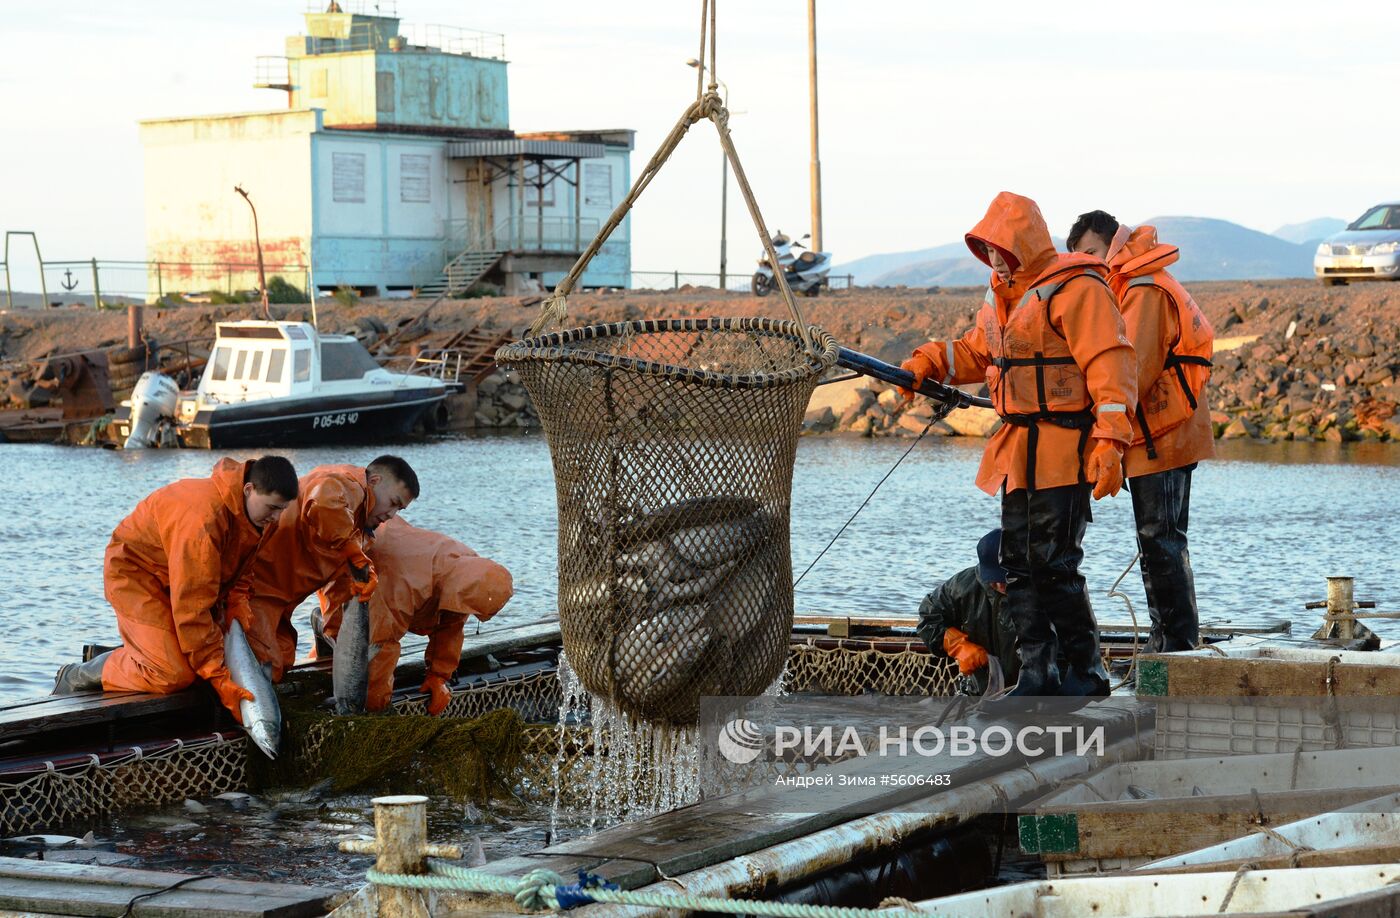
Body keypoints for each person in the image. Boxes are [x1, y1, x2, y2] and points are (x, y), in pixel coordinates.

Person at [899, 192, 1138, 698]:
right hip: (1018, 454)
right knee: (1018, 567)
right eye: (986, 249)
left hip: (1065, 450)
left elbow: (1111, 365)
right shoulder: (1001, 296)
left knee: (1055, 565)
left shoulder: (1077, 289)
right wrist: (927, 362)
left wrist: (1111, 442)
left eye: (999, 248)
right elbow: (973, 350)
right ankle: (1037, 673)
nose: (993, 258)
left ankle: (1086, 670)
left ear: (1022, 244)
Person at [54, 456, 299, 723]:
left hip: (187, 580)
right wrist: (218, 678)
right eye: (273, 508)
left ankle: (143, 650)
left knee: (270, 664)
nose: (277, 518)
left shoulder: (260, 517)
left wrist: (238, 602)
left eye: (282, 509)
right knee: (173, 674)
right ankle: (78, 674)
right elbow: (191, 611)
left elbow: (243, 565)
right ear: (249, 489)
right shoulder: (203, 520)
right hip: (137, 575)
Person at [1069, 210, 1213, 653]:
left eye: (1092, 253)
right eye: (1080, 258)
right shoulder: (1137, 281)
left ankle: (1173, 645)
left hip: (1165, 437)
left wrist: (1093, 421)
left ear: (1113, 244)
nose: (1088, 264)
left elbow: (1134, 368)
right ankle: (1168, 639)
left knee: (1160, 540)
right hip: (1162, 434)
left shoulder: (1143, 290)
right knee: (1160, 539)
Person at [314, 516, 514, 714]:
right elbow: (381, 645)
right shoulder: (405, 588)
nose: (466, 613)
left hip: (398, 551)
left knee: (356, 646)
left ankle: (326, 643)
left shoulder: (471, 575)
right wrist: (376, 707)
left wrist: (438, 676)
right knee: (344, 633)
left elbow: (451, 627)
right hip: (357, 551)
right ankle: (321, 629)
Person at [244, 455, 420, 681]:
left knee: (285, 659)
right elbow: (324, 503)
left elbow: (339, 591)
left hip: (281, 604)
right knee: (269, 664)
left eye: (400, 510)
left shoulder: (361, 533)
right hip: (252, 592)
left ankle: (319, 625)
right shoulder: (347, 485)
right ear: (374, 481)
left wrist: (343, 641)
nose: (391, 515)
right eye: (394, 502)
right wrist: (353, 550)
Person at [916, 530, 1019, 693]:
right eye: (994, 579)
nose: (1000, 585)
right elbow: (929, 616)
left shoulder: (1049, 587)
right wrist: (957, 646)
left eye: (1006, 578)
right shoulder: (962, 586)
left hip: (1037, 694)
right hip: (981, 691)